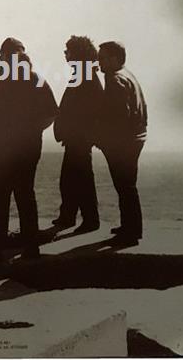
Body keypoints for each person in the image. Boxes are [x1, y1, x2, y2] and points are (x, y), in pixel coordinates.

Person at [0, 38, 58, 259]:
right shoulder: (36, 81)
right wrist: (32, 131)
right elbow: (51, 114)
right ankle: (31, 247)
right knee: (25, 194)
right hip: (28, 147)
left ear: (3, 58)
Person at [97, 41, 148, 246]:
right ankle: (130, 227)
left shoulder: (115, 79)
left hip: (123, 142)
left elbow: (119, 115)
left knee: (124, 187)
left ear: (115, 58)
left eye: (102, 58)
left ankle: (130, 233)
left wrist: (104, 139)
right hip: (136, 137)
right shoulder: (128, 75)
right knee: (128, 186)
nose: (99, 62)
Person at [53, 36, 103, 233]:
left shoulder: (85, 76)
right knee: (72, 179)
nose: (65, 54)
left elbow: (87, 110)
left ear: (78, 54)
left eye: (69, 50)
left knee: (79, 180)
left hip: (79, 139)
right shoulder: (84, 75)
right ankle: (70, 216)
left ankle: (89, 220)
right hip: (76, 138)